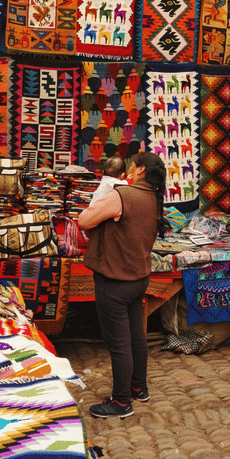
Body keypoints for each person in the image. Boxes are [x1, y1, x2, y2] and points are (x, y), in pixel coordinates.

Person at [77, 152, 166, 418]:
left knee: (119, 343)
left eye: (131, 166)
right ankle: (139, 387)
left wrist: (101, 201)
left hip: (115, 280)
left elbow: (84, 221)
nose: (128, 170)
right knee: (136, 335)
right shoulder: (154, 196)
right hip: (138, 277)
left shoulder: (121, 195)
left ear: (139, 170)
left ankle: (120, 402)